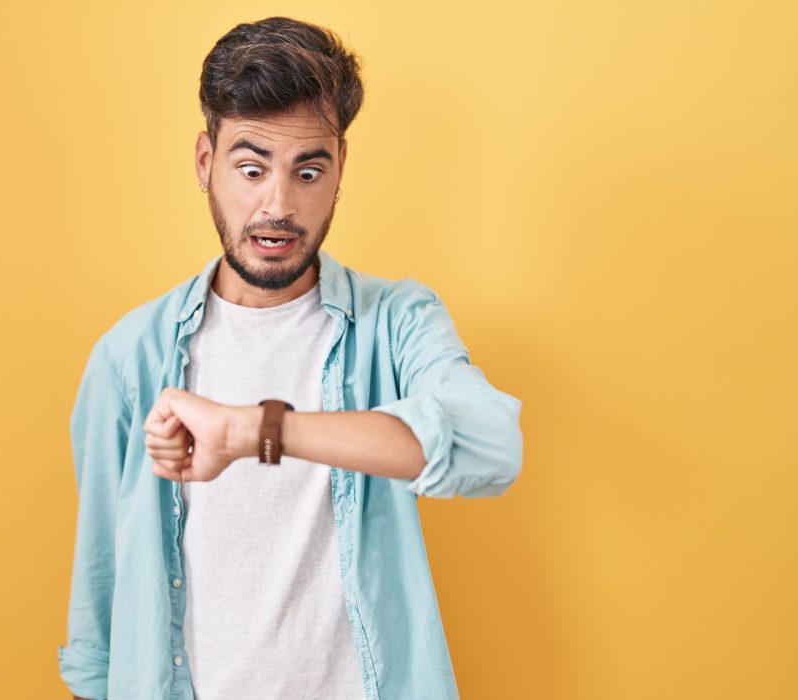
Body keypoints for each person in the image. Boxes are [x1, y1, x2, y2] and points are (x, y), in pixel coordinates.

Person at [59, 16, 524, 700]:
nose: (278, 205)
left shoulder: (396, 323)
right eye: (251, 168)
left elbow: (491, 446)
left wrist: (254, 430)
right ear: (203, 163)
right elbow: (98, 622)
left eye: (308, 170)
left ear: (339, 172)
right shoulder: (130, 357)